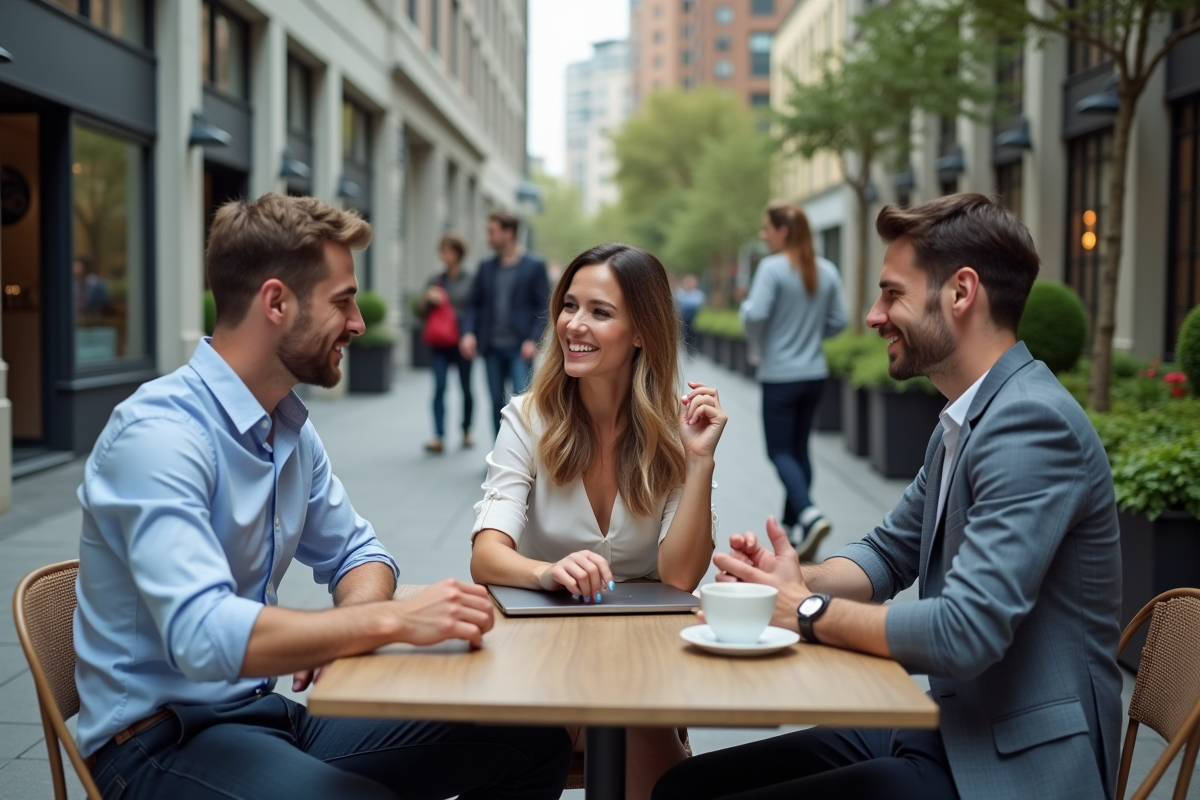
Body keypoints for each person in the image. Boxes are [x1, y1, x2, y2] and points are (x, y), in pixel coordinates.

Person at [73, 193, 572, 800]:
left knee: (532, 734)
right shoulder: (158, 436)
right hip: (156, 746)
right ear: (276, 302)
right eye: (343, 301)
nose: (359, 323)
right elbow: (203, 637)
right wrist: (385, 620)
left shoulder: (285, 423)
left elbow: (361, 554)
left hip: (261, 718)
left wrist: (350, 626)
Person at [654, 194, 1123, 800]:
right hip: (953, 728)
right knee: (684, 787)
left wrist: (804, 613)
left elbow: (965, 632)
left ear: (961, 292)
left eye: (892, 294)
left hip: (1015, 768)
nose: (874, 316)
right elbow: (887, 552)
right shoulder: (967, 417)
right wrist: (794, 580)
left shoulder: (1030, 424)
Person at [469, 243, 728, 800]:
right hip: (542, 647)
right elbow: (486, 555)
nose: (573, 325)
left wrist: (699, 459)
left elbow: (679, 577)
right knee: (518, 744)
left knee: (643, 735)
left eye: (599, 312)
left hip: (640, 663)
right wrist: (545, 572)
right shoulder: (528, 418)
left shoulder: (676, 430)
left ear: (641, 332)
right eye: (569, 306)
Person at [740, 205, 848, 561]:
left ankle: (808, 511)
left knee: (780, 452)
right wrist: (811, 334)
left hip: (780, 375)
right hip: (814, 374)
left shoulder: (772, 268)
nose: (762, 235)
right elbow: (839, 321)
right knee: (799, 450)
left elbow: (755, 314)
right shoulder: (827, 270)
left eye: (765, 228)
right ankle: (792, 530)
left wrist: (757, 339)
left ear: (783, 231)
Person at [459, 212, 550, 436]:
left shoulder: (534, 266)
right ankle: (499, 456)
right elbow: (473, 304)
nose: (487, 237)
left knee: (522, 406)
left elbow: (545, 307)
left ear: (508, 233)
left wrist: (534, 339)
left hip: (521, 348)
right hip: (491, 347)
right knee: (496, 404)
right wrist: (468, 332)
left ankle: (525, 459)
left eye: (492, 231)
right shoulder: (486, 266)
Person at [417, 232, 475, 453]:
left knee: (466, 388)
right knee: (439, 386)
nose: (445, 255)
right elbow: (421, 313)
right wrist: (427, 300)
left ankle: (466, 429)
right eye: (442, 250)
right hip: (440, 343)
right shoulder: (435, 279)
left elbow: (474, 309)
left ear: (458, 253)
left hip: (462, 341)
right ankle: (439, 435)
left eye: (449, 250)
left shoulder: (470, 280)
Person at [673, 274, 705, 354]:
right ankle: (688, 349)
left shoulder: (698, 294)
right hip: (684, 320)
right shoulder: (680, 293)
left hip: (694, 319)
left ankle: (693, 350)